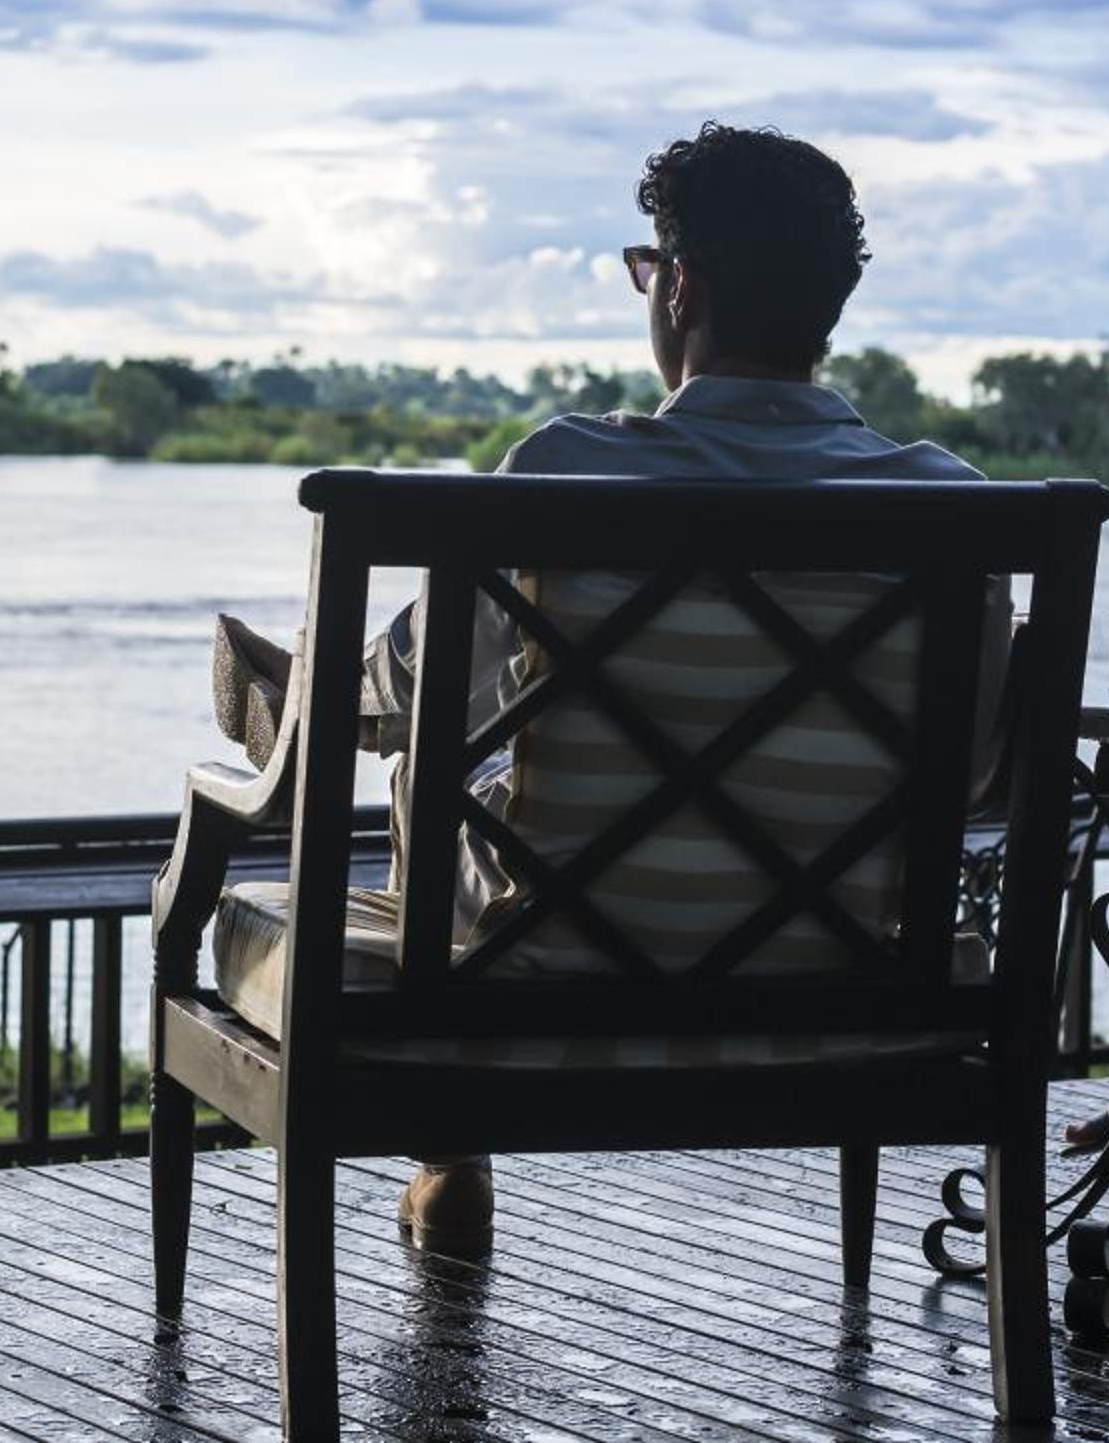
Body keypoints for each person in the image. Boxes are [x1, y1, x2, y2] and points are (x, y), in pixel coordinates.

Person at [210, 122, 990, 1253]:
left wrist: (346, 703)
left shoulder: (565, 470)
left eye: (648, 268)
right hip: (853, 980)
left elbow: (435, 690)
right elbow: (972, 770)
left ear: (680, 286)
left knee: (426, 759)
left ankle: (449, 1148)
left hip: (545, 970)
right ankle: (317, 708)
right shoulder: (954, 506)